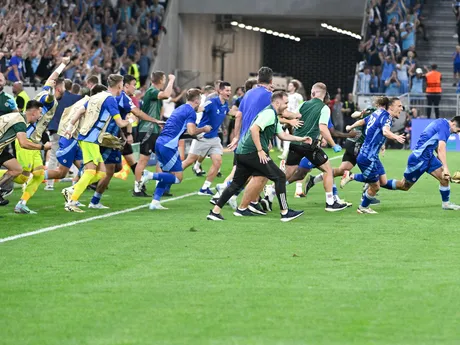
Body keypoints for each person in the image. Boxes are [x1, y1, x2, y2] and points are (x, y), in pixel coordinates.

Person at [207, 91, 308, 222]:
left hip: (243, 153)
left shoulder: (274, 115)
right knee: (280, 176)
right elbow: (254, 129)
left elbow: (282, 135)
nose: (287, 106)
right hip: (252, 152)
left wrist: (301, 138)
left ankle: (215, 212)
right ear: (277, 103)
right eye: (286, 103)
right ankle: (285, 212)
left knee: (236, 183)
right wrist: (260, 150)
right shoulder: (269, 113)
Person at [89, 75, 164, 208]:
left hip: (101, 135)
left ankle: (90, 192)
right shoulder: (122, 97)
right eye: (133, 84)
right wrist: (154, 120)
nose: (135, 87)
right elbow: (138, 113)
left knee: (115, 167)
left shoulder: (102, 96)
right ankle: (87, 196)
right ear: (121, 85)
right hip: (107, 138)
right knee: (108, 170)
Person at [62, 75, 133, 212]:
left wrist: (70, 127)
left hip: (89, 137)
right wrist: (130, 121)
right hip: (90, 138)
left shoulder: (96, 97)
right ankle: (72, 201)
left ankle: (71, 191)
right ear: (119, 85)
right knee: (90, 171)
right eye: (122, 84)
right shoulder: (110, 100)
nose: (122, 88)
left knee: (101, 173)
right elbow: (120, 122)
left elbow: (80, 110)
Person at [14, 57, 70, 214]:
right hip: (27, 140)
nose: (65, 89)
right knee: (21, 176)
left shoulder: (45, 89)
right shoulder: (50, 98)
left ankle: (21, 203)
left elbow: (52, 78)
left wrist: (63, 64)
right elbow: (49, 98)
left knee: (38, 174)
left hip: (34, 141)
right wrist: (52, 92)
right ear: (59, 89)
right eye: (64, 86)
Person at [141, 88, 211, 210]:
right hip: (169, 146)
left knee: (166, 173)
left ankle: (155, 202)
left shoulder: (180, 108)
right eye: (200, 99)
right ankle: (150, 175)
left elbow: (181, 131)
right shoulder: (191, 112)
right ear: (197, 100)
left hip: (160, 143)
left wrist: (193, 135)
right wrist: (204, 129)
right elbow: (192, 130)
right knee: (178, 178)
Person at [284, 82, 347, 212]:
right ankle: (330, 202)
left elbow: (295, 118)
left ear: (313, 93)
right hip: (309, 145)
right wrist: (334, 144)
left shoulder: (303, 104)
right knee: (328, 170)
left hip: (295, 143)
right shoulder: (324, 108)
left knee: (288, 173)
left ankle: (271, 192)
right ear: (324, 96)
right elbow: (323, 128)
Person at [341, 97, 406, 214]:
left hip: (372, 155)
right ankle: (362, 205)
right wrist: (396, 137)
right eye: (399, 106)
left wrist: (351, 126)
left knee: (383, 181)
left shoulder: (378, 112)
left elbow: (363, 121)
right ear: (390, 106)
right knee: (375, 186)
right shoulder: (386, 117)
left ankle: (402, 185)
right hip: (367, 157)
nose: (401, 108)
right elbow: (385, 131)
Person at [389, 116, 460, 210]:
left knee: (444, 179)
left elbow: (434, 143)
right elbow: (441, 148)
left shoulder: (443, 123)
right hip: (419, 158)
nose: (456, 133)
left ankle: (446, 204)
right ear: (454, 124)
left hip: (429, 156)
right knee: (404, 186)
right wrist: (445, 167)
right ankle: (378, 182)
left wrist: (441, 162)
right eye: (458, 130)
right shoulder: (445, 128)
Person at [182, 82, 232, 195]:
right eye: (227, 90)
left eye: (230, 90)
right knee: (189, 161)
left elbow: (230, 112)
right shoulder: (211, 102)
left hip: (214, 139)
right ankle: (167, 179)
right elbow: (198, 109)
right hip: (202, 137)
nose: (229, 93)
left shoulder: (225, 104)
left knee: (218, 162)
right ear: (220, 91)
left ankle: (205, 188)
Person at [0, 101, 52, 206]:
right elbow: (23, 143)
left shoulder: (17, 116)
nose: (40, 116)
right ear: (33, 112)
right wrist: (43, 147)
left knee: (17, 169)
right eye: (40, 113)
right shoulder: (20, 123)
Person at [133, 71, 175, 197]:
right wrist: (172, 80)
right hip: (147, 130)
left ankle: (160, 186)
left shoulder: (153, 93)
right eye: (164, 80)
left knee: (162, 158)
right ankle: (137, 188)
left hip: (154, 129)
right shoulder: (152, 91)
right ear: (161, 80)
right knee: (143, 160)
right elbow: (167, 94)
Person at [44, 76, 83, 191]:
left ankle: (49, 184)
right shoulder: (75, 98)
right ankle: (81, 179)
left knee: (53, 157)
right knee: (77, 155)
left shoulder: (52, 98)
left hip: (54, 129)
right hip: (68, 131)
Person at [278, 79, 303, 161]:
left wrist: (296, 115)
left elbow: (301, 106)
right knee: (285, 134)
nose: (289, 86)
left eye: (291, 85)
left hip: (294, 117)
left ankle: (291, 152)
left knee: (293, 134)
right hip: (285, 116)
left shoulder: (298, 96)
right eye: (289, 85)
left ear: (295, 87)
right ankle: (284, 152)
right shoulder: (286, 95)